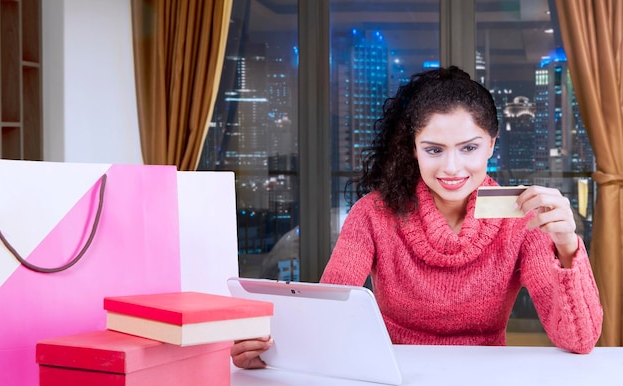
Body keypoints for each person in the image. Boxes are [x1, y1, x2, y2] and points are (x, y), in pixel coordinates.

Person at [231, 66, 603, 369]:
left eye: (469, 148)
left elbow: (580, 338)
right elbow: (333, 311)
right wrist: (272, 347)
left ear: (492, 143)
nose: (452, 167)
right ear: (414, 149)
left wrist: (569, 247)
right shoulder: (373, 214)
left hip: (488, 381)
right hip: (394, 376)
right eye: (434, 149)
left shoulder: (522, 218)